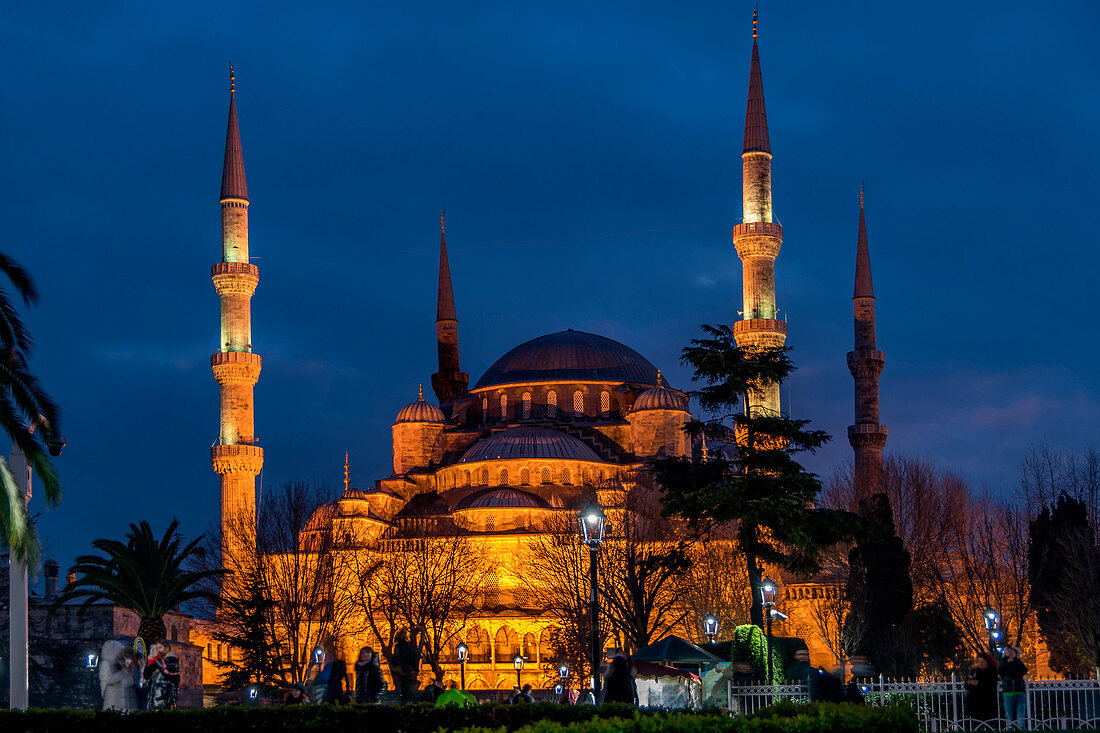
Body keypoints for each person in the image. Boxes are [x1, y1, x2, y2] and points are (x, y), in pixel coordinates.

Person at [99, 640, 138, 712]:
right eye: (120, 651)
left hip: (124, 700)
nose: (122, 653)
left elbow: (127, 682)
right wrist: (124, 672)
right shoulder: (106, 664)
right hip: (113, 698)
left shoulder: (121, 663)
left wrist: (130, 672)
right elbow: (108, 678)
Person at [142, 639, 180, 710]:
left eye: (160, 648)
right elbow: (146, 676)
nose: (158, 650)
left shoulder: (172, 661)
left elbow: (167, 673)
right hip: (152, 700)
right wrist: (149, 664)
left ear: (166, 648)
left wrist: (157, 660)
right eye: (157, 648)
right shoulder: (157, 662)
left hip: (165, 699)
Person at [998, 646, 1029, 730]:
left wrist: (1015, 660)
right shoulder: (1004, 663)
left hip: (1019, 692)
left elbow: (1024, 670)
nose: (1010, 653)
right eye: (1009, 652)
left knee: (1021, 719)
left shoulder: (1018, 662)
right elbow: (1000, 671)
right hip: (1008, 693)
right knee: (1010, 720)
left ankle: (1021, 729)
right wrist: (1006, 659)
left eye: (1012, 652)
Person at [964, 652, 998, 724]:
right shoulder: (975, 671)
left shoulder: (992, 671)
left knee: (989, 723)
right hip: (975, 703)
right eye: (979, 661)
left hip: (988, 702)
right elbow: (967, 684)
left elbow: (990, 685)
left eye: (982, 662)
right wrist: (969, 682)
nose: (980, 664)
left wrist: (978, 683)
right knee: (976, 723)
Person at [391, 629, 421, 704]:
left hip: (404, 670)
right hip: (405, 670)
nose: (405, 635)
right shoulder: (403, 645)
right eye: (404, 634)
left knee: (405, 690)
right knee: (406, 690)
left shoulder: (400, 645)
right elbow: (407, 657)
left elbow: (399, 657)